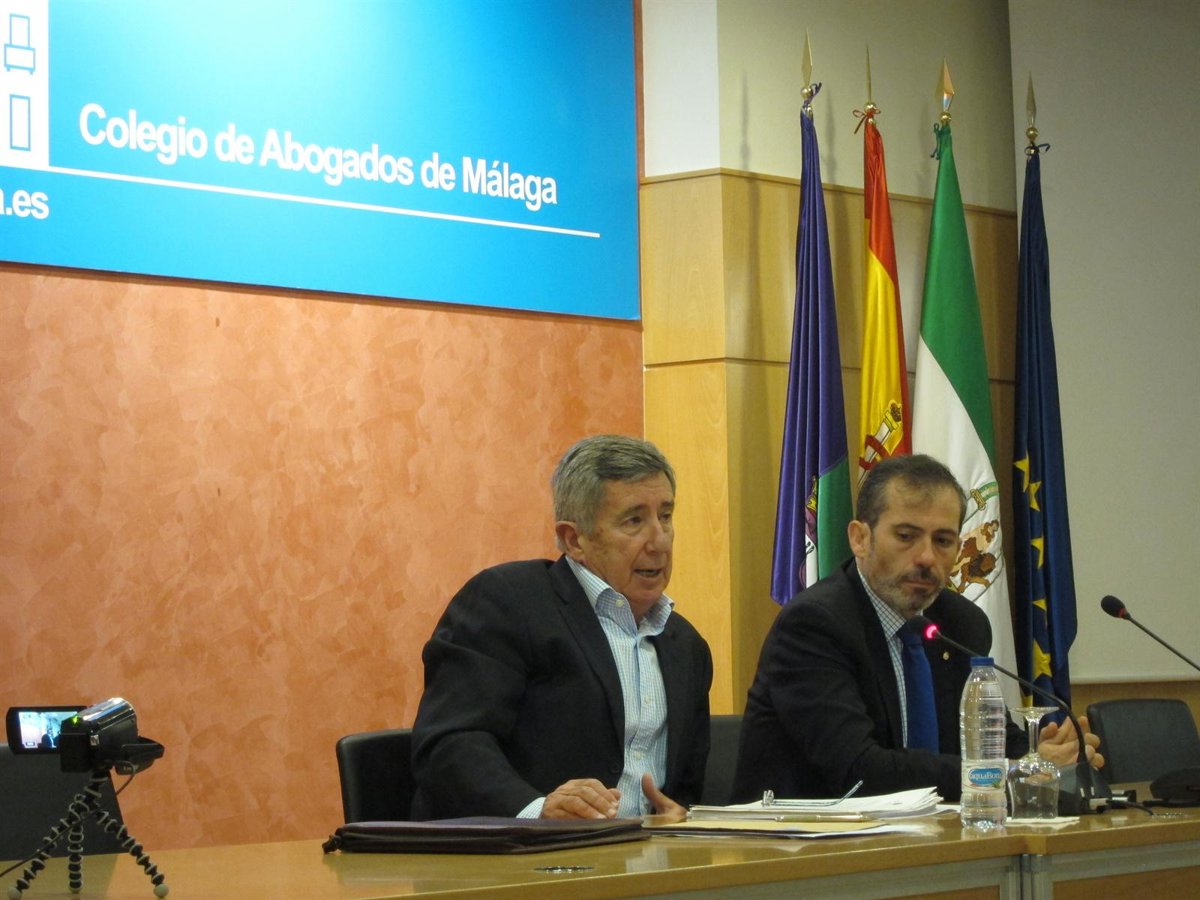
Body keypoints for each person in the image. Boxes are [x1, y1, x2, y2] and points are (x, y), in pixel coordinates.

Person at [731, 453, 1101, 802]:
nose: (926, 557)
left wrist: (1043, 756)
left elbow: (990, 741)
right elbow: (860, 772)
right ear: (860, 539)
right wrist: (1009, 773)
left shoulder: (960, 625)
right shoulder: (815, 625)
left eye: (943, 541)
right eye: (906, 536)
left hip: (929, 838)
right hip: (804, 841)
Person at [411, 434, 713, 821]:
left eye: (665, 516)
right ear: (574, 540)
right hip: (518, 852)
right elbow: (449, 744)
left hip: (644, 854)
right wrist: (540, 813)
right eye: (634, 521)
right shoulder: (508, 603)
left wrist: (678, 815)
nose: (659, 541)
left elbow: (685, 788)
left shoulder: (686, 645)